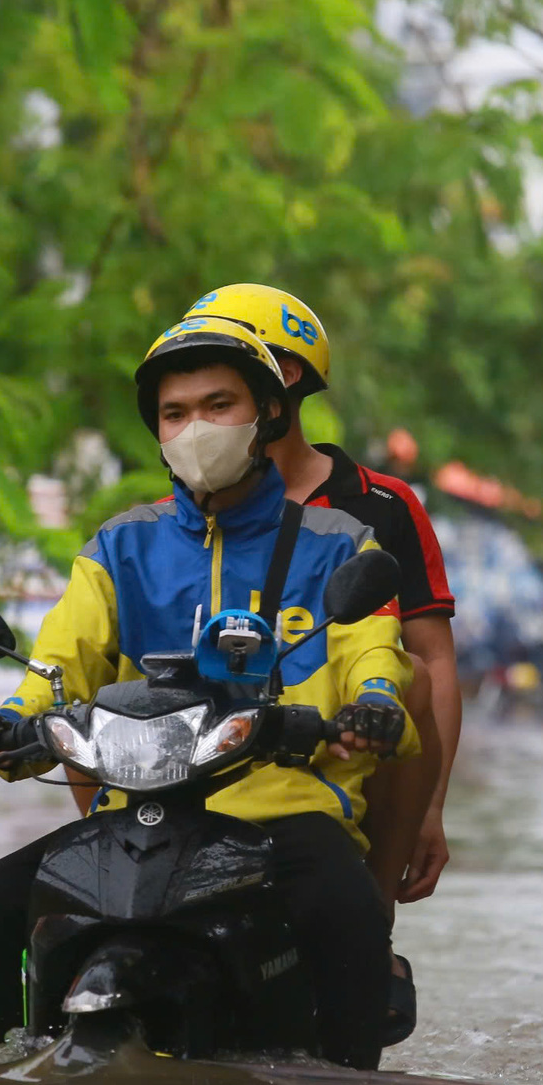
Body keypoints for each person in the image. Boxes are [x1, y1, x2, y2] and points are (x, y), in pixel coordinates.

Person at [0, 315, 419, 1070]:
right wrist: (4, 727)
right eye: (175, 413)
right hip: (136, 813)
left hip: (283, 812)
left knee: (348, 908)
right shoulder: (118, 546)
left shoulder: (339, 544)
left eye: (218, 405)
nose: (195, 426)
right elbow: (55, 667)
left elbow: (374, 655)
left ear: (267, 413)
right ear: (157, 432)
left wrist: (372, 708)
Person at [180, 284, 460, 910]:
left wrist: (429, 807)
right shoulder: (174, 515)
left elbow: (433, 661)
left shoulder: (380, 506)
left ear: (282, 375)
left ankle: (373, 929)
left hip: (345, 743)